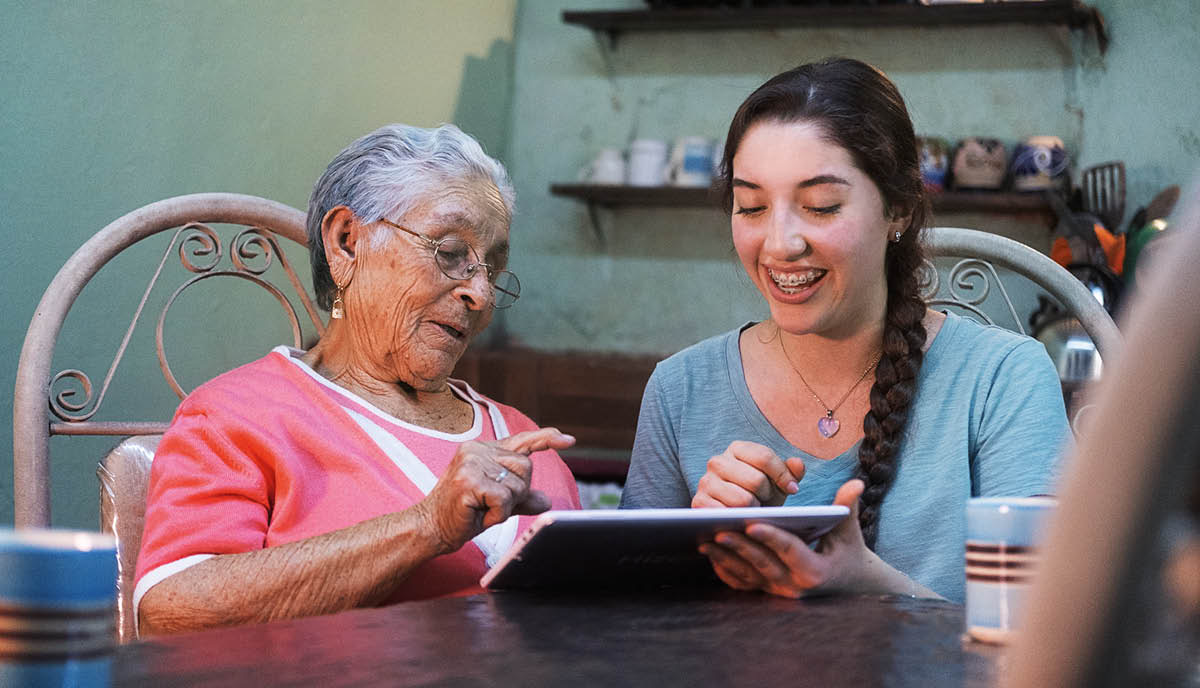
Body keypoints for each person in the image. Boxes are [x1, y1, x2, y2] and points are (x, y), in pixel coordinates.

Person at [620, 58, 1069, 603]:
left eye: (821, 206)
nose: (780, 243)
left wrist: (866, 585)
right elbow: (634, 621)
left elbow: (1047, 638)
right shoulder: (680, 390)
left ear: (898, 208)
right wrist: (692, 549)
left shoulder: (1001, 381)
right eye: (752, 206)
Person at [134, 124, 580, 636]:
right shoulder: (239, 416)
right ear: (347, 243)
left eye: (493, 271)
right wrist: (427, 526)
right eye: (451, 252)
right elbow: (170, 612)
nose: (480, 294)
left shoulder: (525, 438)